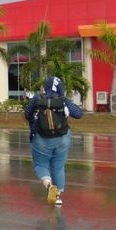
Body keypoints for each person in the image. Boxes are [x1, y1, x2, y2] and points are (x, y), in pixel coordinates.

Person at [24, 76, 82, 206]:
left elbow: (27, 114)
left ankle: (49, 186)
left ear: (45, 86)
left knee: (41, 165)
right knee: (58, 167)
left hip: (40, 138)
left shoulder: (37, 98)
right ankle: (58, 198)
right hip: (62, 138)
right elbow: (78, 114)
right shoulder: (63, 100)